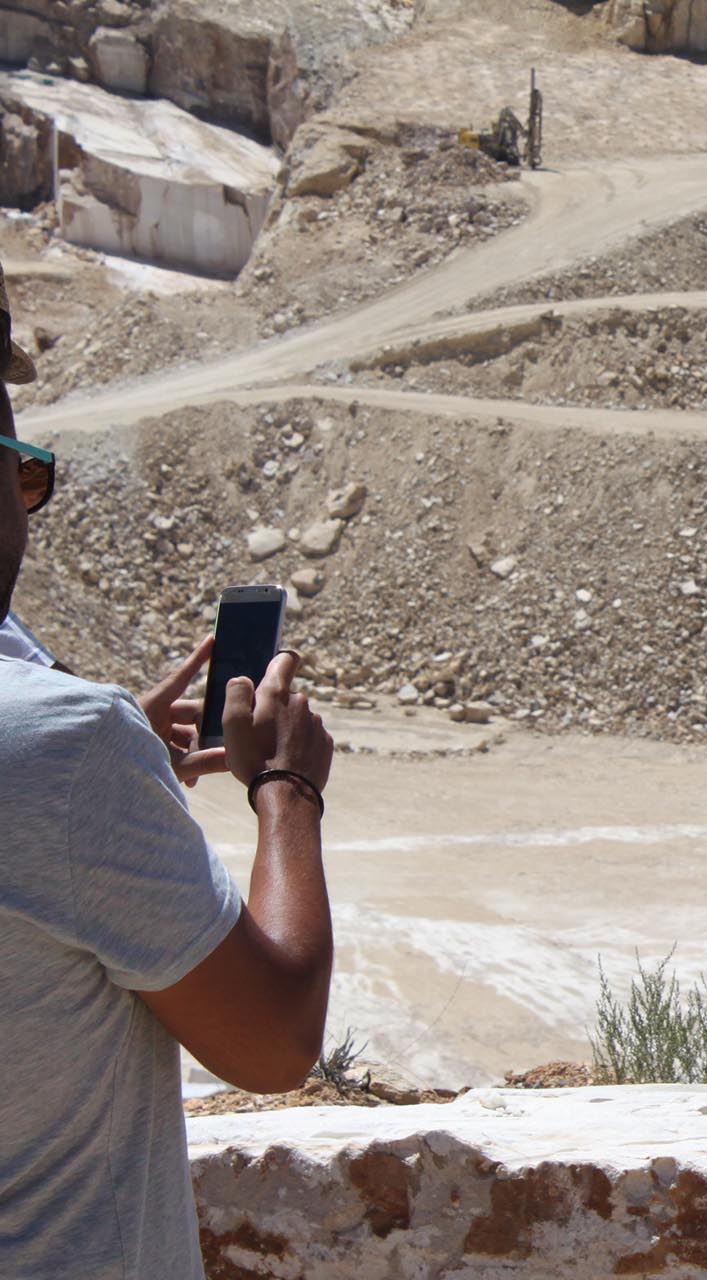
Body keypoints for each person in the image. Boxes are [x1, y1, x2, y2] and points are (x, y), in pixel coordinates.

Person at [0, 263, 338, 1280]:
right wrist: (288, 795)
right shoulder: (63, 750)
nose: (27, 506)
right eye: (20, 471)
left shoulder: (66, 747)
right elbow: (274, 1041)